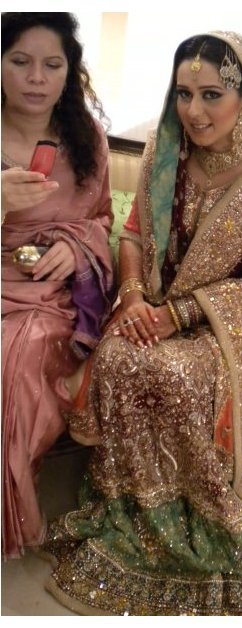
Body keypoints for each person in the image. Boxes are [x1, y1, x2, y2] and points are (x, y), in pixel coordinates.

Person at [41, 31, 242, 615]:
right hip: (155, 307)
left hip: (233, 331)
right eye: (184, 94)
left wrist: (178, 316)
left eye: (212, 94)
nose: (193, 110)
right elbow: (134, 234)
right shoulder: (169, 155)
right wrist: (133, 299)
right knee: (119, 354)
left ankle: (202, 510)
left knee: (174, 375)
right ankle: (136, 501)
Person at [1, 12, 115, 560]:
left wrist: (77, 246)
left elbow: (104, 218)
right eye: (20, 61)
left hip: (51, 300)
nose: (36, 78)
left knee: (14, 360)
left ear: (70, 73)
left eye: (52, 65)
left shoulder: (85, 139)